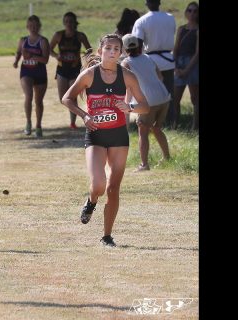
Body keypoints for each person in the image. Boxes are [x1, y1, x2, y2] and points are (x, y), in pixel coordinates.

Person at [61, 34, 150, 247]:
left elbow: (145, 106)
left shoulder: (127, 76)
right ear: (100, 51)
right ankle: (91, 201)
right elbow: (67, 98)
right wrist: (84, 116)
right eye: (108, 48)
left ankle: (107, 236)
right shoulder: (89, 75)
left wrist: (129, 107)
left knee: (113, 188)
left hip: (118, 136)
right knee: (99, 185)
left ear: (121, 53)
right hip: (96, 135)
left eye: (116, 49)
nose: (112, 52)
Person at [121, 34, 171, 171]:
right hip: (164, 96)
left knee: (143, 131)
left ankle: (144, 164)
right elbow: (160, 77)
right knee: (156, 128)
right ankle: (167, 157)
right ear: (139, 46)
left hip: (149, 101)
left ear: (124, 49)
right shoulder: (148, 58)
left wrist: (127, 105)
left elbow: (128, 86)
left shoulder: (126, 63)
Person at [132, 0, 176, 127]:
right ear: (159, 2)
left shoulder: (141, 21)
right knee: (168, 94)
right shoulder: (170, 18)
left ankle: (148, 122)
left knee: (148, 94)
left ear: (147, 4)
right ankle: (170, 122)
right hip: (168, 61)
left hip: (150, 62)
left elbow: (138, 44)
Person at [50, 11, 92, 129]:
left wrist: (85, 57)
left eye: (71, 21)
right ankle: (75, 116)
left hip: (75, 69)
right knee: (62, 98)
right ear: (64, 23)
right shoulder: (58, 35)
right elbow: (49, 49)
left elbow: (89, 50)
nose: (69, 24)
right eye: (66, 21)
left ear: (75, 23)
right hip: (62, 69)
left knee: (72, 97)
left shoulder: (80, 36)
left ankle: (73, 122)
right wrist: (56, 55)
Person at [13, 15, 50, 137]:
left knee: (38, 101)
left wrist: (32, 56)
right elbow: (19, 51)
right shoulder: (23, 40)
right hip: (26, 72)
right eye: (31, 26)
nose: (33, 28)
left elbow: (45, 60)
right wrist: (16, 61)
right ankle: (28, 123)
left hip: (39, 72)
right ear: (27, 27)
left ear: (39, 27)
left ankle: (38, 125)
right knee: (28, 96)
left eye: (36, 26)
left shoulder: (43, 41)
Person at [172, 2, 199, 130]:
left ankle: (195, 126)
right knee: (175, 98)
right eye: (190, 10)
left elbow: (197, 52)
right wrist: (176, 67)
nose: (192, 14)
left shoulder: (198, 30)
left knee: (195, 98)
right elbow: (176, 49)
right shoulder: (181, 29)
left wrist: (187, 70)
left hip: (193, 64)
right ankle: (175, 124)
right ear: (186, 12)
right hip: (179, 63)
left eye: (195, 11)